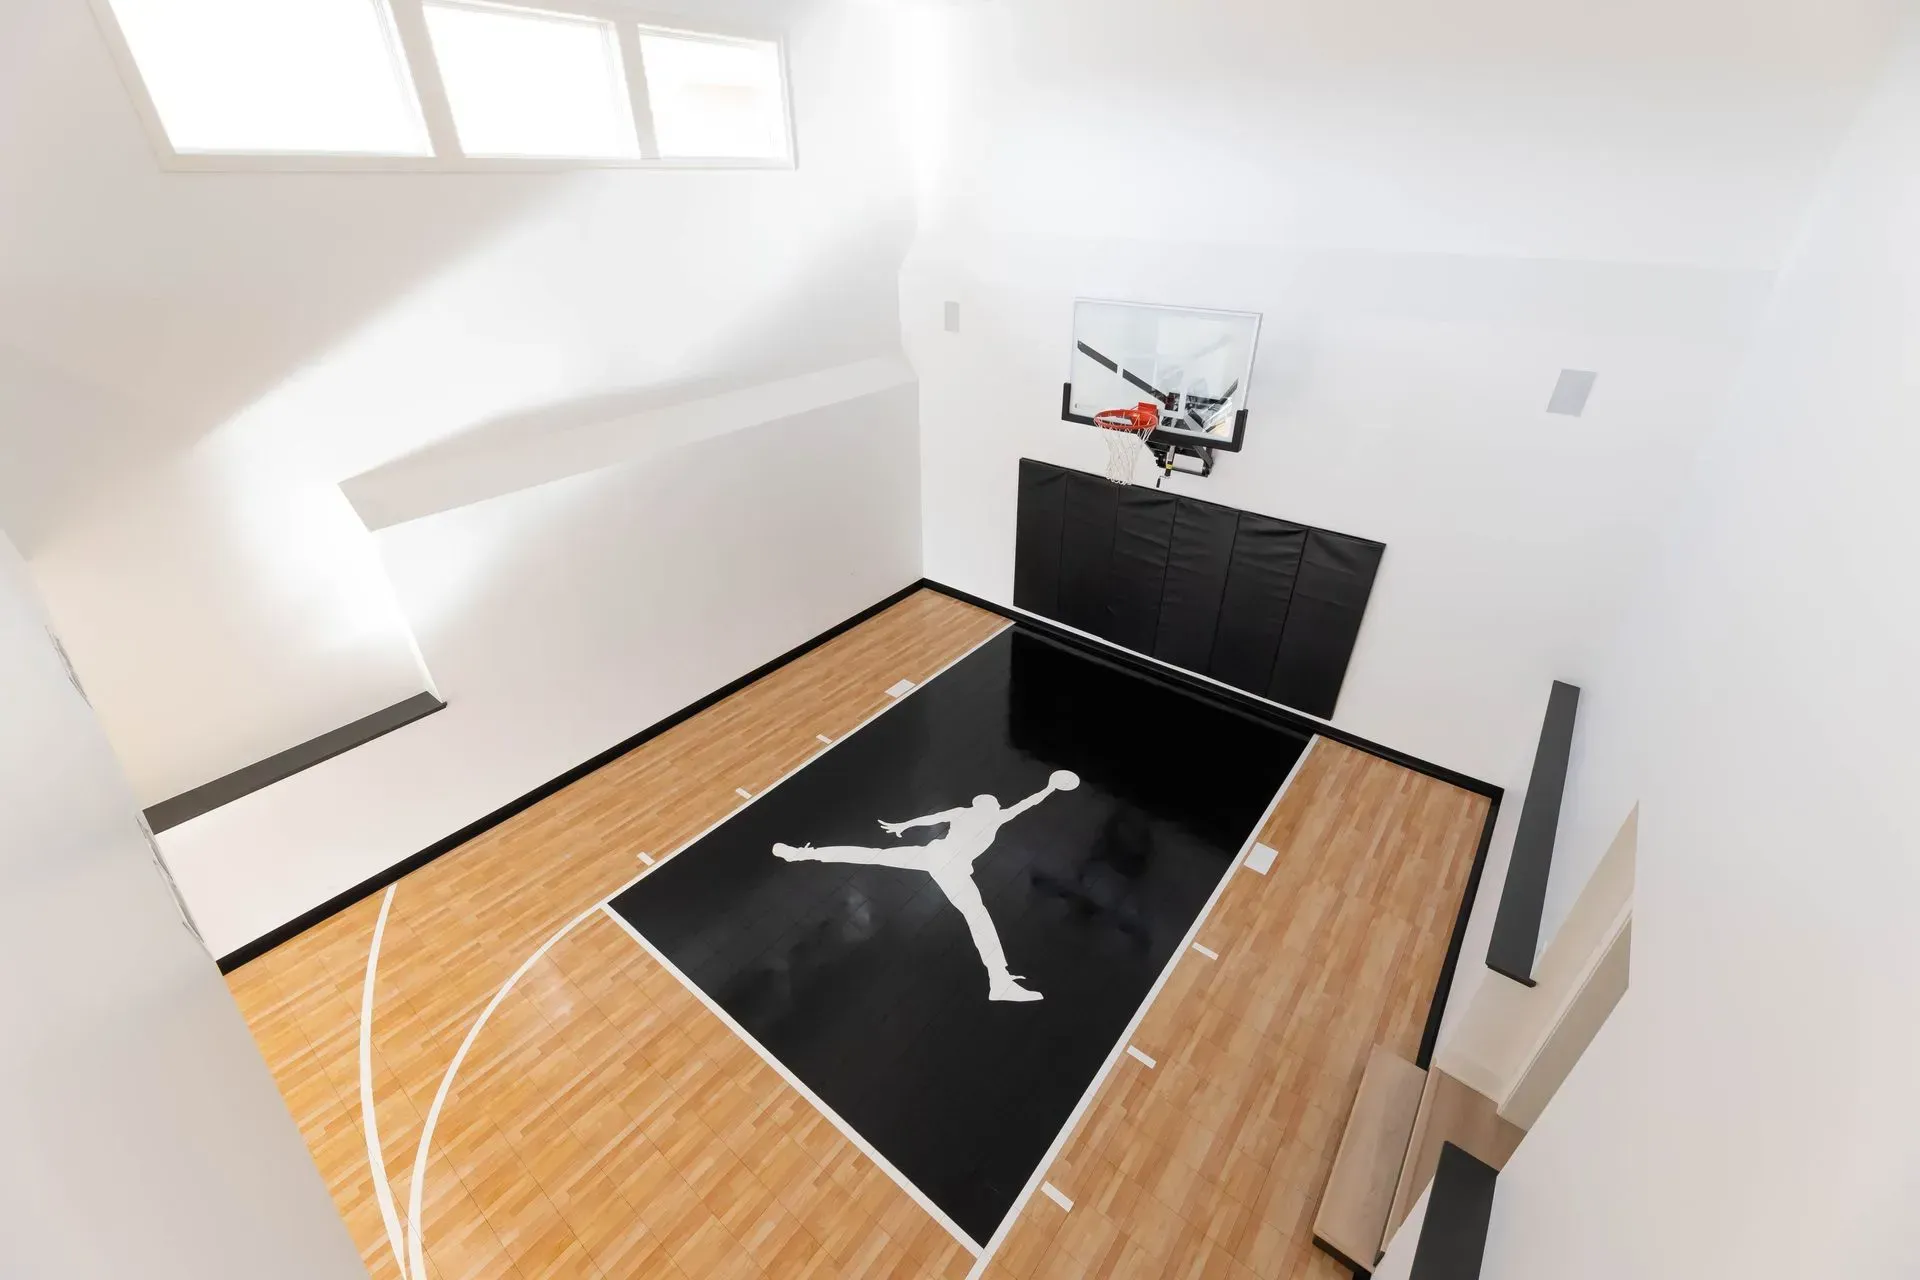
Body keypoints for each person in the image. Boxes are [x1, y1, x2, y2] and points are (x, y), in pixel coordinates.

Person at [772, 770, 1080, 1002]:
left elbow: (934, 818)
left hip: (935, 856)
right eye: (991, 801)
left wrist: (904, 825)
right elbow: (1022, 804)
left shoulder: (981, 814)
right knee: (977, 915)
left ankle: (801, 854)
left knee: (872, 855)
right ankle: (999, 981)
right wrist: (1050, 788)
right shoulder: (988, 815)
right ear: (986, 804)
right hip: (949, 864)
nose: (994, 802)